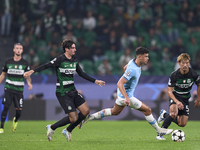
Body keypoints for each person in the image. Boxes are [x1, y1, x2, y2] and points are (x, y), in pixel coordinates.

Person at [78, 47, 173, 140]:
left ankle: (90, 117)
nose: (148, 58)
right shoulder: (133, 70)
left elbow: (125, 67)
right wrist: (127, 98)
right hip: (126, 96)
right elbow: (119, 83)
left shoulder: (132, 61)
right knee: (147, 110)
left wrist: (127, 74)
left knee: (115, 111)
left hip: (121, 95)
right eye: (146, 56)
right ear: (139, 57)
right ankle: (159, 131)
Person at [23, 39, 105, 141]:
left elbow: (81, 73)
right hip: (63, 92)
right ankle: (52, 127)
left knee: (86, 111)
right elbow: (46, 65)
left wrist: (95, 81)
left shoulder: (74, 60)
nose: (75, 49)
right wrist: (32, 71)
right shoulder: (60, 59)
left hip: (73, 91)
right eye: (73, 48)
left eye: (75, 47)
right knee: (73, 118)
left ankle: (68, 130)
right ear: (67, 49)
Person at [157, 53, 200, 140]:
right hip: (175, 96)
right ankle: (160, 133)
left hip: (185, 99)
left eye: (187, 63)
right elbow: (169, 91)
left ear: (189, 63)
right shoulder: (174, 75)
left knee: (182, 124)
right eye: (183, 63)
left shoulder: (193, 74)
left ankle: (165, 115)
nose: (185, 65)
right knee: (173, 114)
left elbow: (199, 85)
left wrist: (198, 99)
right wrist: (177, 102)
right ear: (179, 63)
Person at [0, 43, 32, 133]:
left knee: (18, 112)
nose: (18, 50)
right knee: (6, 106)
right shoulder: (8, 62)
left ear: (22, 51)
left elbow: (28, 76)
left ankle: (15, 121)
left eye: (20, 48)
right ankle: (1, 128)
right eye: (17, 48)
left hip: (19, 91)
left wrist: (29, 83)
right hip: (8, 89)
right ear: (13, 50)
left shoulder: (25, 63)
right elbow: (3, 75)